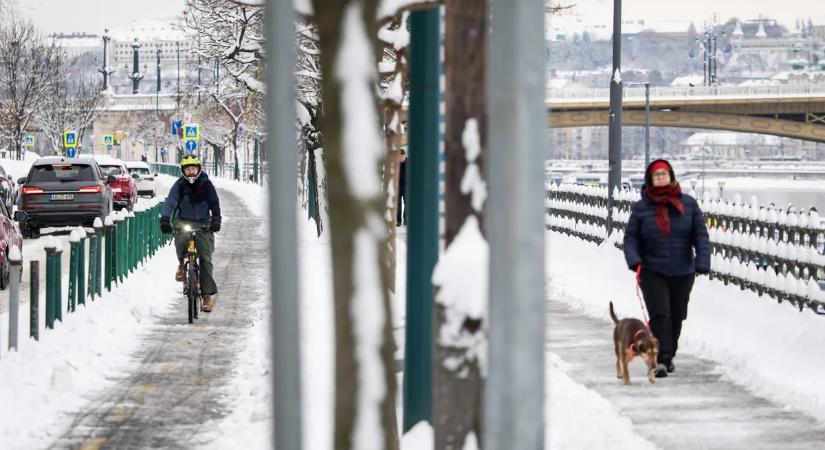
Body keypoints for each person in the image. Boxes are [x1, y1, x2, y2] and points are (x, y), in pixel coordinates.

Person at [623, 159, 710, 378]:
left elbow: (700, 235)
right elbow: (631, 238)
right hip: (652, 269)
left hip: (683, 270)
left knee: (677, 315)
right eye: (656, 175)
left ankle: (668, 355)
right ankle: (661, 359)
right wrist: (634, 260)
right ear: (650, 180)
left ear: (671, 176)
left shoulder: (688, 204)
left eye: (664, 174)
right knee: (660, 314)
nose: (661, 177)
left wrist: (702, 261)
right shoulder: (642, 208)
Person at [160, 155, 222, 312]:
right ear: (183, 171)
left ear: (199, 169)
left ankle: (206, 296)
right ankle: (181, 264)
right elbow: (170, 202)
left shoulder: (206, 185)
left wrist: (216, 220)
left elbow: (214, 203)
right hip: (184, 220)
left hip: (204, 224)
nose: (191, 172)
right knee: (181, 237)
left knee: (206, 260)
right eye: (188, 169)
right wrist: (165, 220)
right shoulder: (179, 185)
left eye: (194, 169)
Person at [396, 149, 407, 227]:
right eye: (400, 157)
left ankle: (406, 220)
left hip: (406, 186)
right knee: (398, 204)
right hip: (398, 187)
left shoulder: (409, 163)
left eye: (403, 156)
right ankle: (398, 221)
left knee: (407, 204)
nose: (402, 158)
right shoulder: (396, 164)